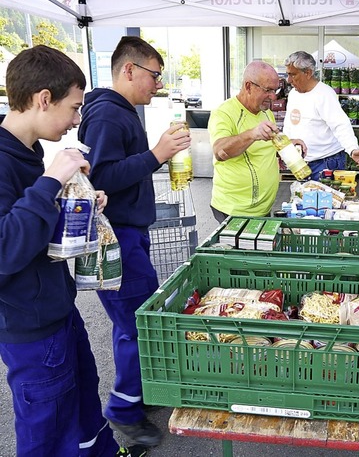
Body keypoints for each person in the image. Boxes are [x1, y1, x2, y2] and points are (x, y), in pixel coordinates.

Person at [0, 46, 136, 456]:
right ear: (44, 99)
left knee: (80, 403)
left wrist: (77, 200)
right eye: (74, 108)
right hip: (30, 324)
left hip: (57, 308)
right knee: (47, 424)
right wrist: (51, 182)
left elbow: (33, 223)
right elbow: (6, 249)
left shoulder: (28, 151)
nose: (78, 120)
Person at [78, 36, 191, 447]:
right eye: (154, 75)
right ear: (129, 69)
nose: (157, 84)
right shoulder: (108, 115)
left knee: (134, 322)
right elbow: (102, 178)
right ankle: (124, 411)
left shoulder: (119, 112)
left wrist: (157, 153)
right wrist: (157, 154)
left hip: (127, 235)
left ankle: (133, 395)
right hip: (117, 238)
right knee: (138, 326)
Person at [208, 60, 306, 223]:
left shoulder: (266, 112)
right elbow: (220, 151)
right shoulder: (224, 113)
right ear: (248, 86)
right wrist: (252, 134)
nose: (273, 96)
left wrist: (290, 142)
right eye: (268, 90)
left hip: (262, 209)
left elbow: (268, 145)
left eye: (275, 90)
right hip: (235, 211)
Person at [283, 51, 359, 180]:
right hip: (302, 163)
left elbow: (340, 124)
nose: (288, 80)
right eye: (288, 74)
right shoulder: (293, 94)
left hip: (325, 163)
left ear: (307, 73)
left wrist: (352, 149)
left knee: (328, 199)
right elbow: (290, 124)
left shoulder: (324, 94)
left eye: (293, 75)